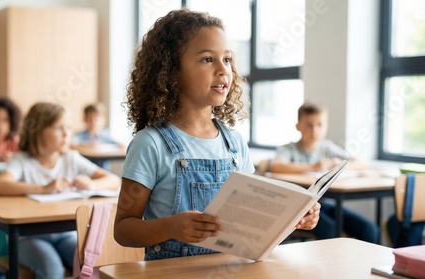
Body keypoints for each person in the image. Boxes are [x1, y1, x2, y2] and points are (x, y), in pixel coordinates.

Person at [114, 9, 321, 261]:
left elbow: (250, 222)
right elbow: (123, 229)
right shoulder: (150, 144)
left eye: (227, 59)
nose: (223, 70)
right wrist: (170, 226)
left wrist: (292, 219)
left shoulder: (234, 143)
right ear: (172, 72)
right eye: (207, 59)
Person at [0, 102, 120, 278]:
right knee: (52, 271)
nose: (67, 134)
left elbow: (113, 179)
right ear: (39, 131)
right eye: (59, 128)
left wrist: (92, 184)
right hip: (29, 237)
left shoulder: (70, 158)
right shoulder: (22, 160)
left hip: (64, 235)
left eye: (68, 127)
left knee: (94, 261)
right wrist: (44, 188)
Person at [269, 101, 379, 243]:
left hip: (324, 204)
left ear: (326, 127)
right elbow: (275, 166)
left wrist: (341, 165)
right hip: (298, 208)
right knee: (332, 230)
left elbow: (361, 163)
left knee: (369, 229)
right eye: (309, 125)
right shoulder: (289, 149)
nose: (314, 130)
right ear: (298, 126)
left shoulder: (327, 147)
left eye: (319, 125)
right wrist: (313, 166)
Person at [72, 103, 123, 169]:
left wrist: (121, 144)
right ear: (85, 119)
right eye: (90, 119)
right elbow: (72, 144)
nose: (93, 122)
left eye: (96, 119)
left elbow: (118, 143)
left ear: (103, 120)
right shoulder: (79, 135)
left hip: (103, 170)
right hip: (85, 170)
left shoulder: (105, 134)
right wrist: (88, 145)